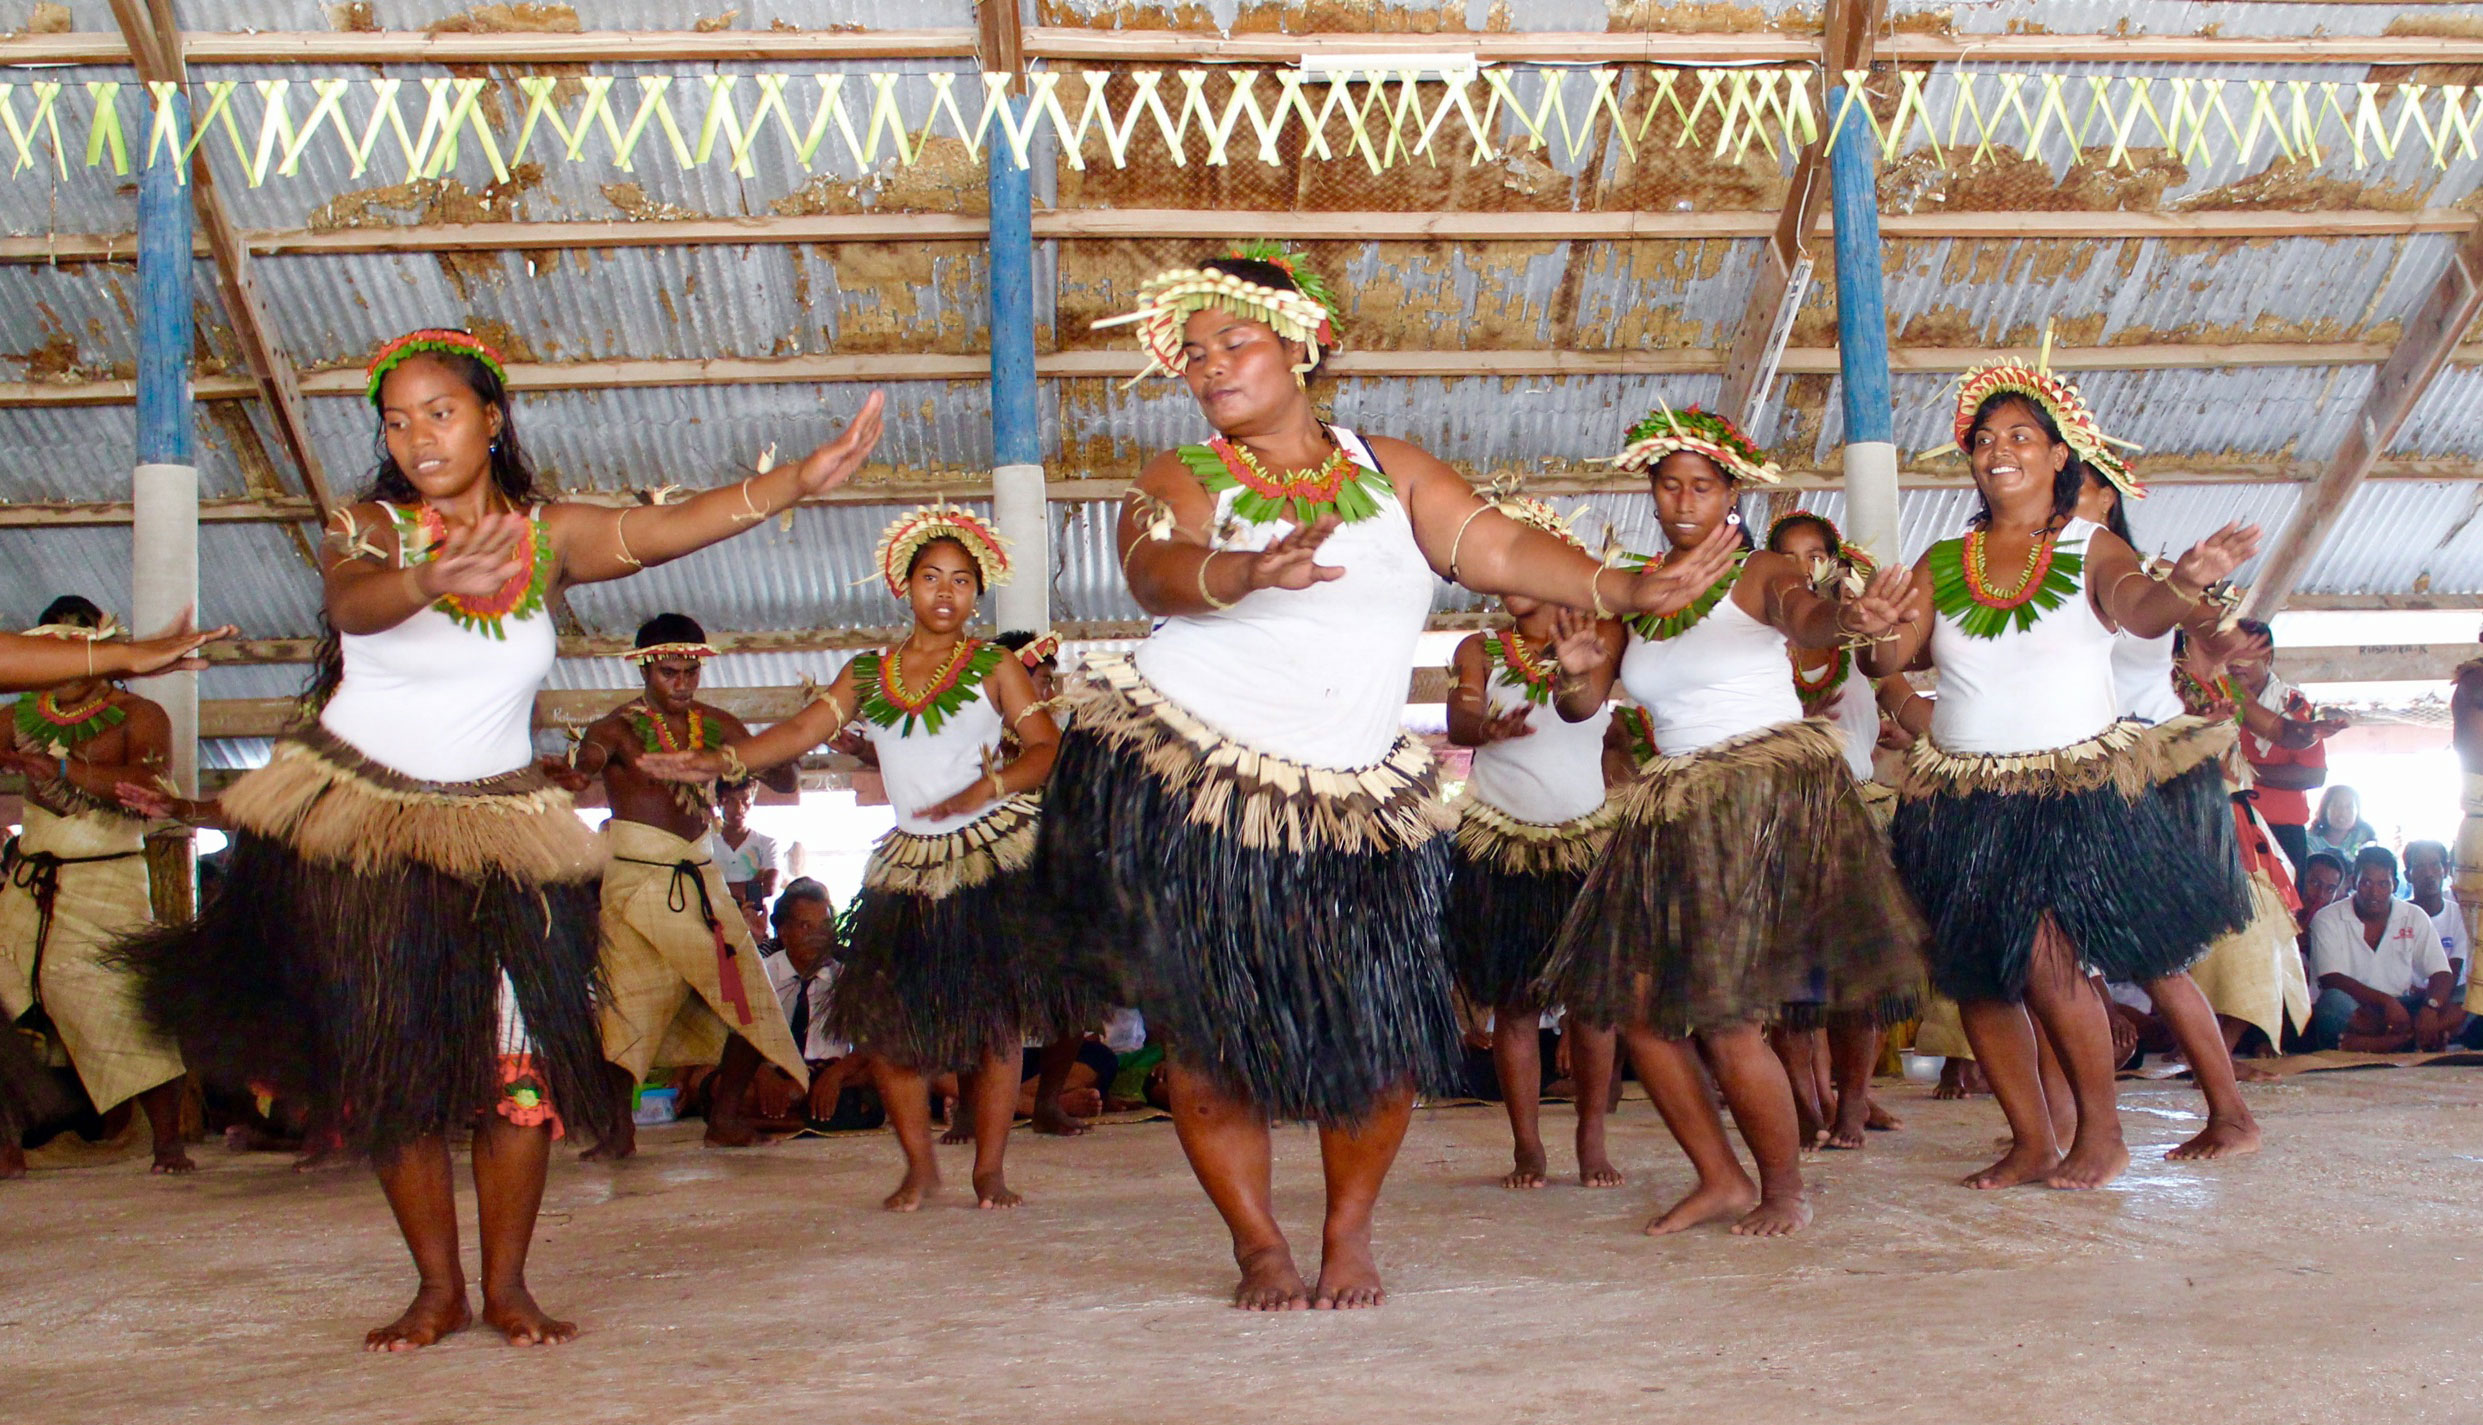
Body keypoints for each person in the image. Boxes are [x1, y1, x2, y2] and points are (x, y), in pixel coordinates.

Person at [117, 327, 884, 1349]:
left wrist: (798, 480)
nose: (418, 436)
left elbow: (668, 530)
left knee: (513, 1066)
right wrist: (433, 579)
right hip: (367, 830)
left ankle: (508, 1286)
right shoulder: (373, 529)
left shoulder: (547, 534)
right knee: (399, 1069)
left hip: (501, 826)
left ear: (491, 417)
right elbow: (353, 601)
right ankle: (436, 1291)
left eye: (440, 412)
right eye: (397, 420)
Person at [1038, 245, 1741, 1309]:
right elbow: (1154, 568)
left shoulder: (1390, 467)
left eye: (1235, 342)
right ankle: (1258, 1243)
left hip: (1349, 799)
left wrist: (1624, 585)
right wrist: (1243, 571)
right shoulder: (1180, 476)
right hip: (1194, 785)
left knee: (1376, 1025)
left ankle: (1347, 1232)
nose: (1210, 366)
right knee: (1207, 1030)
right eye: (1191, 354)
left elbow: (1494, 548)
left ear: (1301, 347)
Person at [1864, 357, 2258, 1191]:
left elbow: (2139, 608)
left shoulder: (2089, 545)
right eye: (1982, 439)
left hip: (2065, 792)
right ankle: (2030, 1141)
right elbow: (1888, 660)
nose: (1997, 451)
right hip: (1961, 794)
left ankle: (2101, 1136)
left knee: (2049, 963)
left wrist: (2183, 585)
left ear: (2055, 457)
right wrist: (1872, 627)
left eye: (2019, 437)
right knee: (1976, 975)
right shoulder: (1942, 559)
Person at [1539, 406, 1924, 1238]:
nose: (1683, 499)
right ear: (1651, 494)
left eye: (1701, 486)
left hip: (1759, 796)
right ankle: (1720, 1175)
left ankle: (1783, 1186)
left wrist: (1848, 622)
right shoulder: (1635, 593)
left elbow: (1805, 616)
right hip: (1673, 806)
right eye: (1669, 484)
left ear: (1729, 496)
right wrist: (1573, 675)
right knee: (1638, 1010)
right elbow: (1580, 706)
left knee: (1727, 1012)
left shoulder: (1761, 571)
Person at [641, 503, 1087, 1211]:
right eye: (932, 577)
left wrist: (990, 782)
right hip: (905, 864)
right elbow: (797, 731)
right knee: (884, 1020)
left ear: (978, 591)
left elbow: (1045, 750)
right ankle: (918, 1164)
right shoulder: (868, 672)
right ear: (903, 586)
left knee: (996, 1019)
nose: (946, 592)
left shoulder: (994, 664)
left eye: (963, 580)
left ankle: (989, 1170)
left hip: (986, 858)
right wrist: (721, 758)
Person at [2076, 470, 2289, 1151]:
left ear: (2106, 497)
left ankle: (2227, 1113)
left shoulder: (2144, 576)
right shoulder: (2034, 574)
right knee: (2056, 956)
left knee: (2150, 957)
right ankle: (2067, 1119)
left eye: (2070, 485)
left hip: (2138, 772)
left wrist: (2213, 637)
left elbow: (2197, 614)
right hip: (2068, 772)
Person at [557, 615, 810, 1158]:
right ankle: (617, 1130)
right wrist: (578, 773)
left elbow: (785, 779)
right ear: (645, 667)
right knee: (622, 1008)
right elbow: (590, 763)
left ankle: (724, 1116)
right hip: (635, 884)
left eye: (690, 672)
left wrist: (774, 758)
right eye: (670, 672)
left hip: (698, 884)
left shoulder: (718, 724)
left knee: (755, 1003)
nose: (682, 683)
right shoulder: (615, 728)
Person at [1441, 495, 1623, 1191]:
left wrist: (1575, 670)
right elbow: (1460, 713)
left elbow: (1581, 707)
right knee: (1514, 1003)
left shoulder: (1602, 634)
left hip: (1582, 842)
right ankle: (1526, 1145)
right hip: (1500, 842)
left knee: (1592, 1001)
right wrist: (1474, 724)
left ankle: (1590, 1135)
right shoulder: (1479, 648)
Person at [0, 600, 213, 1179]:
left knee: (123, 1005)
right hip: (30, 879)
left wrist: (66, 771)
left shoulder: (138, 715)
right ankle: (9, 1142)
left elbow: (151, 785)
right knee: (3, 995)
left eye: (76, 649)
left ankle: (167, 1143)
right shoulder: (20, 712)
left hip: (106, 878)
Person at [1763, 510, 1911, 1150]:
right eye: (1790, 558)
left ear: (1838, 563)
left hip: (1854, 813)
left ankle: (1852, 1101)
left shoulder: (1862, 643)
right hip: (1774, 817)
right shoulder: (1756, 644)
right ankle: (1805, 1103)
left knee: (1858, 976)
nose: (1805, 570)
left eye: (1816, 555)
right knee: (1787, 981)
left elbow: (1900, 697)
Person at [991, 628, 1095, 1138]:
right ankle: (976, 1107)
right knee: (989, 995)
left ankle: (1046, 1102)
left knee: (1073, 992)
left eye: (1050, 678)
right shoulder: (976, 728)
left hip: (1054, 868)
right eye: (1039, 676)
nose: (1048, 687)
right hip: (989, 870)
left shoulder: (1065, 733)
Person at [2306, 846, 2461, 1051]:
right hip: (2358, 1009)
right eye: (2366, 883)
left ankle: (2378, 1042)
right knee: (2331, 1003)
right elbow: (2330, 979)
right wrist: (2386, 1002)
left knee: (2468, 996)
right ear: (2354, 882)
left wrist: (2430, 1008)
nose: (2375, 893)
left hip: (2404, 1008)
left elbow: (2441, 972)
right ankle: (2412, 1040)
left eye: (2383, 884)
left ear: (2395, 885)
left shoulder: (2414, 916)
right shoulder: (2327, 918)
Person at [709, 779, 780, 910]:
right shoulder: (706, 845)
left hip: (755, 922)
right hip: (714, 923)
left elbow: (769, 888)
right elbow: (697, 887)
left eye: (745, 800)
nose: (739, 808)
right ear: (719, 803)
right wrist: (753, 887)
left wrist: (716, 888)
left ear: (752, 803)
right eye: (730, 800)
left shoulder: (767, 844)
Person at [2402, 841, 2463, 986]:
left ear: (2446, 869)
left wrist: (2434, 1000)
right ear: (2407, 876)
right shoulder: (2397, 915)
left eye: (2435, 865)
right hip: (2406, 995)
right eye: (2419, 866)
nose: (2428, 873)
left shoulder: (2459, 915)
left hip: (2448, 993)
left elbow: (2454, 968)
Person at [2308, 786, 2377, 863]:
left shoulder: (2364, 838)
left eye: (2349, 807)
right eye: (2337, 806)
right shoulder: (2310, 842)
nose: (2343, 813)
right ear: (2325, 809)